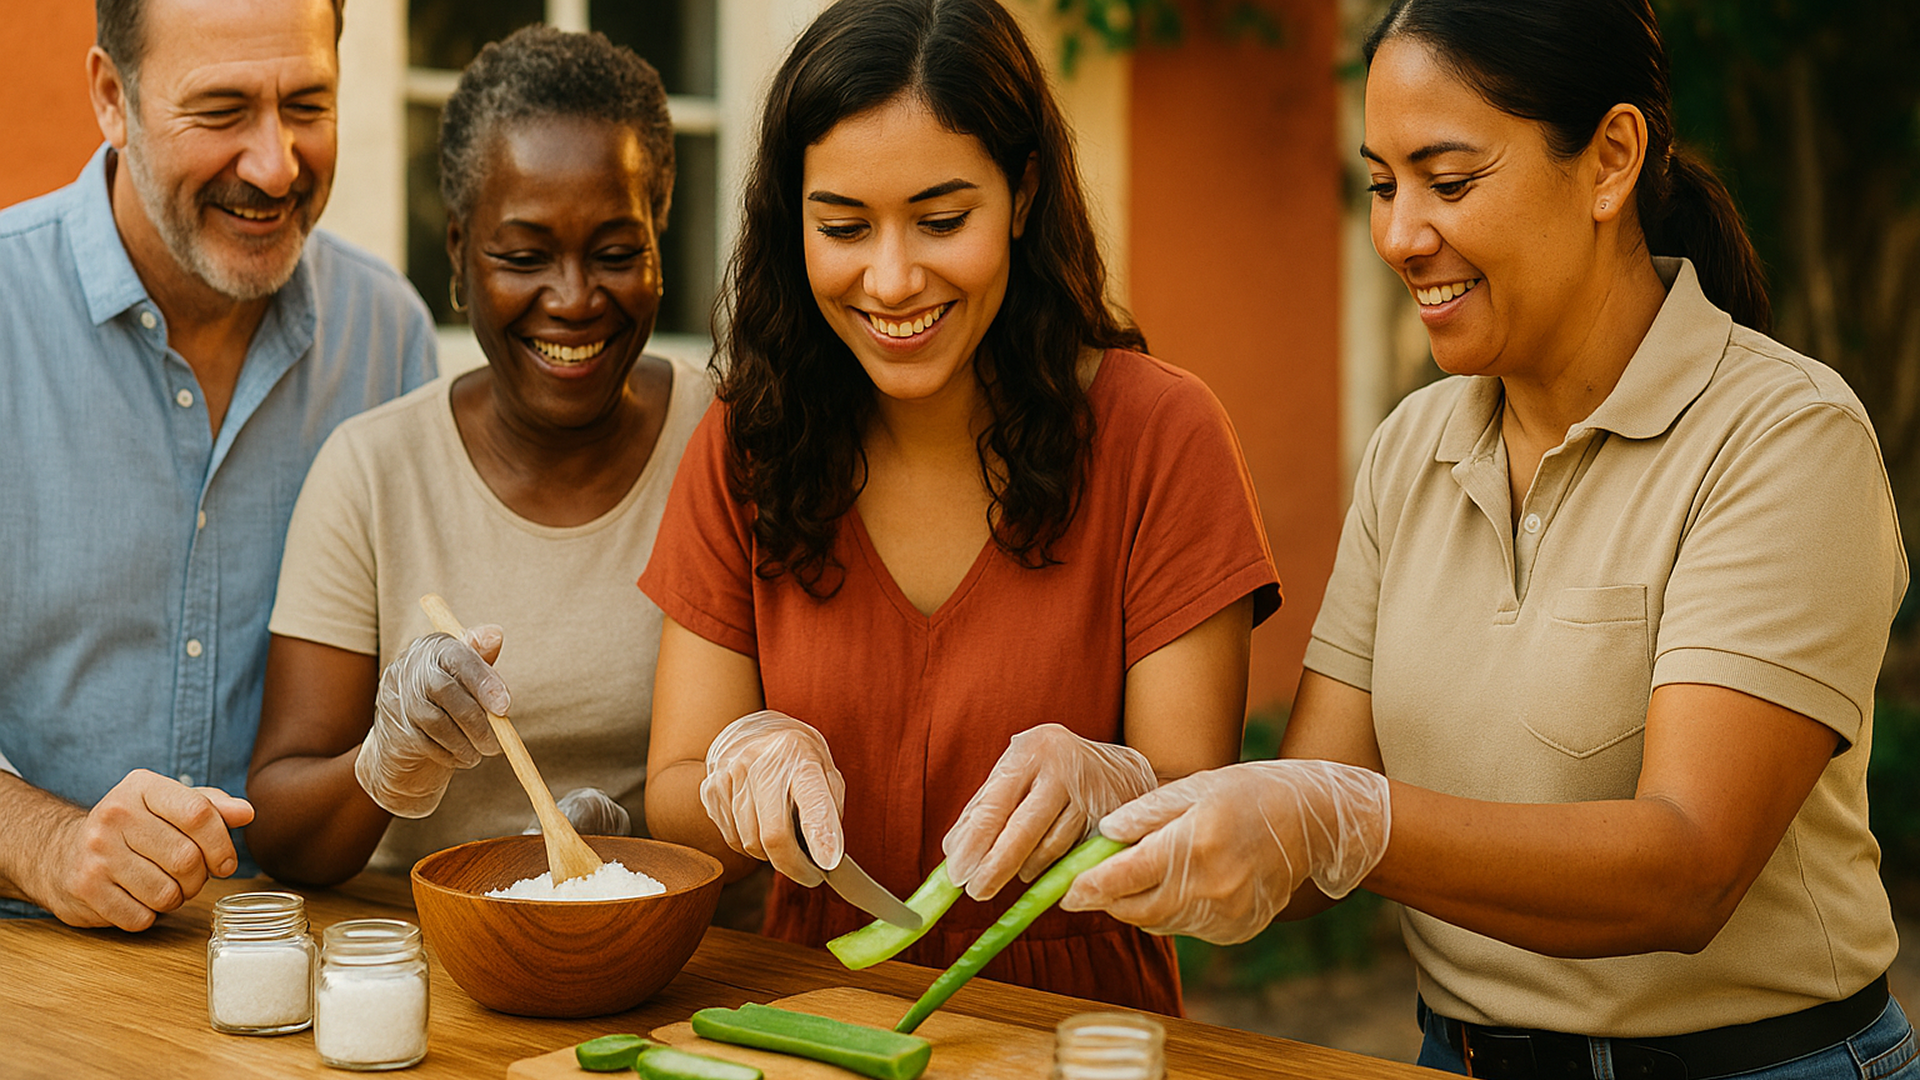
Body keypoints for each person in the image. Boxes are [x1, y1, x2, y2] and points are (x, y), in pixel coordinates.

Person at [1061, 0, 1915, 1076]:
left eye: (1449, 182)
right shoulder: (1413, 447)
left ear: (1610, 159)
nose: (1398, 235)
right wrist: (1126, 799)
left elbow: (1690, 867)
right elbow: (1309, 828)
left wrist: (1349, 823)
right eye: (1381, 184)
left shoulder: (1783, 440)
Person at [639, 0, 1279, 1016]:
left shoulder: (1162, 437)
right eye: (843, 227)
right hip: (813, 1014)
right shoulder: (744, 447)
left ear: (1023, 194)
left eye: (942, 221)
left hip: (1078, 1029)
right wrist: (741, 764)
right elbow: (672, 800)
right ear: (788, 216)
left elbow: (1202, 831)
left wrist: (1112, 784)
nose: (892, 281)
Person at [0, 0, 437, 930]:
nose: (274, 164)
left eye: (307, 104)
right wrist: (42, 844)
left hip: (303, 970)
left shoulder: (387, 334)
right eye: (223, 110)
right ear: (112, 99)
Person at [244, 26, 710, 886]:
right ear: (458, 253)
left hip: (667, 965)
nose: (573, 299)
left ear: (659, 241)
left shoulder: (724, 443)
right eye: (524, 256)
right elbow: (279, 829)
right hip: (422, 963)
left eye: (615, 253)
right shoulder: (373, 475)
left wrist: (641, 846)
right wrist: (388, 764)